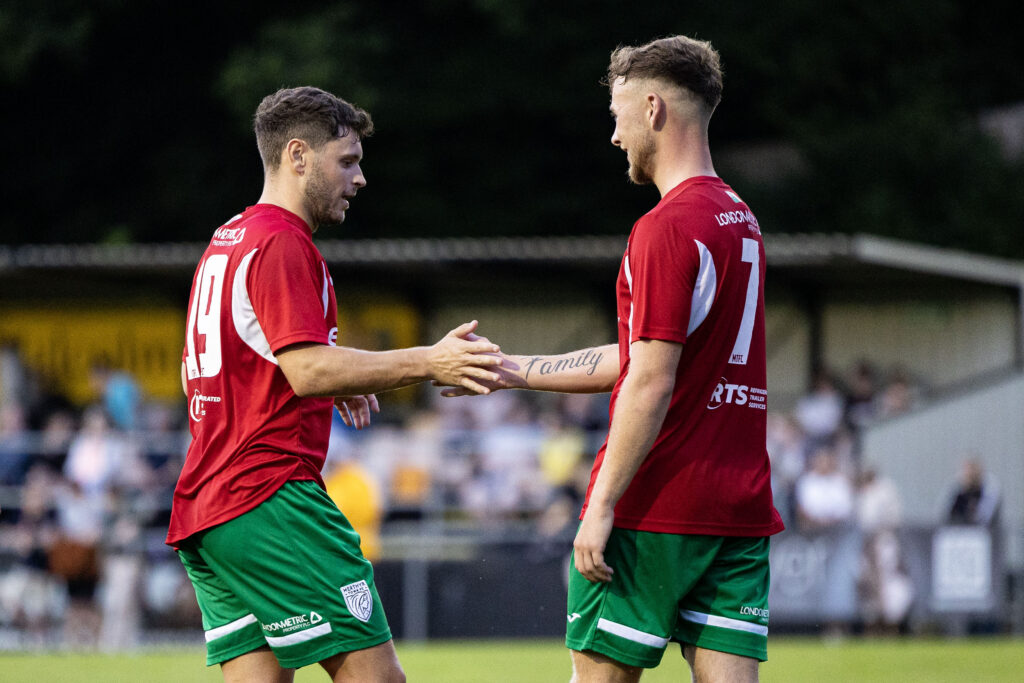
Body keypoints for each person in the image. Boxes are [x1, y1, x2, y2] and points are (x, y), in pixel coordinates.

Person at [441, 35, 783, 683]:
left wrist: (600, 503)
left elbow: (650, 381)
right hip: (736, 505)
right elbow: (643, 356)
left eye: (618, 116)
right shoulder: (740, 218)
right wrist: (514, 368)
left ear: (653, 108)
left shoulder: (666, 226)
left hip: (655, 506)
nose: (615, 136)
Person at [166, 86, 503, 683]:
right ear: (298, 156)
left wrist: (327, 372)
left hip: (211, 505)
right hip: (269, 496)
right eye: (347, 161)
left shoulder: (231, 237)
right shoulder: (282, 242)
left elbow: (259, 360)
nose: (360, 178)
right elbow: (306, 369)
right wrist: (430, 360)